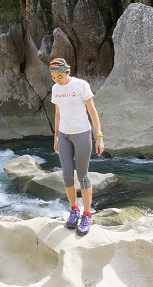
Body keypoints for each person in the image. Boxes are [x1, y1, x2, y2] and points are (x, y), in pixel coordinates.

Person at [49, 57, 104, 235]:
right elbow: (58, 113)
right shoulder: (55, 89)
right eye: (53, 77)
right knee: (66, 174)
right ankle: (74, 210)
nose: (57, 80)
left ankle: (87, 214)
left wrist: (99, 136)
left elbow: (92, 111)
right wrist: (56, 136)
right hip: (64, 135)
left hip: (81, 134)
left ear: (68, 72)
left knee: (82, 175)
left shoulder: (81, 85)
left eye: (60, 76)